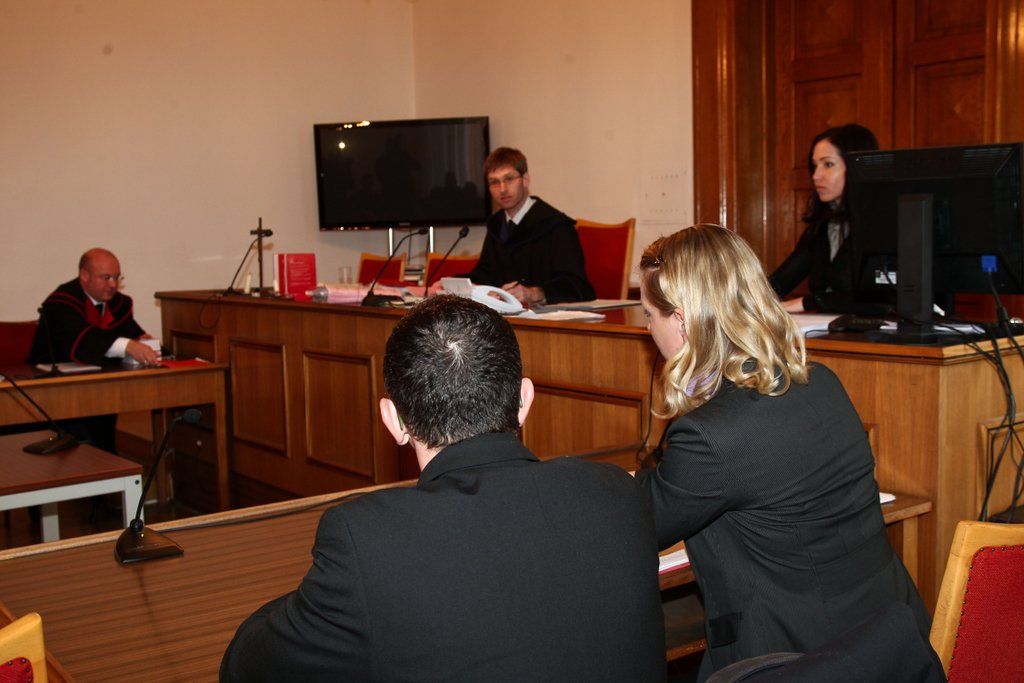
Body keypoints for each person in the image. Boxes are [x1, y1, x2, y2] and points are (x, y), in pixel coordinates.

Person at [220, 296, 666, 682]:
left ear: (393, 420)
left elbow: (248, 667)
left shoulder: (368, 541)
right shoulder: (617, 492)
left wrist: (335, 599)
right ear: (525, 400)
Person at [634, 225, 932, 680]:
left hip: (797, 663)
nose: (647, 328)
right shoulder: (823, 382)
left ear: (682, 320)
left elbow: (642, 525)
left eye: (649, 314)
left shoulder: (712, 435)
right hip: (891, 641)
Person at [28, 248, 159, 451]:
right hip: (57, 392)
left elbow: (130, 333)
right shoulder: (61, 302)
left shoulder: (119, 304)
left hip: (102, 388)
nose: (113, 284)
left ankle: (107, 462)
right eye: (106, 278)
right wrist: (128, 345)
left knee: (104, 437)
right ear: (84, 275)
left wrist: (143, 341)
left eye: (117, 277)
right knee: (81, 445)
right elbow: (81, 342)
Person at [769, 123, 879, 313]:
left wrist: (808, 302)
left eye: (828, 164)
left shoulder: (882, 225)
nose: (816, 176)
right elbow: (779, 283)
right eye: (815, 166)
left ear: (857, 167)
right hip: (826, 328)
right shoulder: (822, 226)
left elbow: (879, 298)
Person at [466, 147, 595, 306]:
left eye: (509, 179)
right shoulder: (496, 225)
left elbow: (578, 286)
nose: (502, 189)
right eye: (494, 182)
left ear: (525, 179)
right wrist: (450, 284)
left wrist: (535, 293)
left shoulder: (556, 226)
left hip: (546, 317)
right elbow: (484, 276)